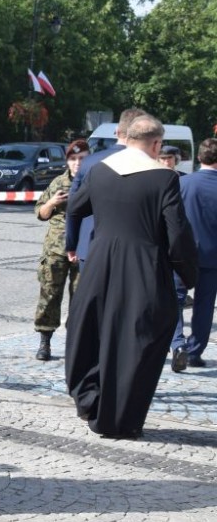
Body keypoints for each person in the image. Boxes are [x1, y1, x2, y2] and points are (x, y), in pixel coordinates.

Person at [65, 115, 197, 440]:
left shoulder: (99, 170)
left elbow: (75, 208)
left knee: (92, 331)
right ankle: (123, 418)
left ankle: (90, 400)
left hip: (101, 263)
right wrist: (187, 272)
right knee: (140, 339)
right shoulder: (164, 178)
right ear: (156, 144)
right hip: (144, 266)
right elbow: (177, 232)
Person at [65, 108, 147, 267]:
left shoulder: (88, 162)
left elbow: (73, 207)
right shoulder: (149, 164)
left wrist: (72, 244)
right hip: (132, 250)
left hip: (90, 245)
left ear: (117, 131)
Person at [32, 139, 89, 361]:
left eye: (81, 158)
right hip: (56, 249)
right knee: (49, 295)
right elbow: (40, 213)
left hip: (83, 250)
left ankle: (75, 343)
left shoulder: (94, 182)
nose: (77, 163)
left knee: (81, 299)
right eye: (73, 159)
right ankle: (45, 342)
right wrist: (52, 202)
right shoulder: (58, 182)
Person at [171, 138, 217, 370]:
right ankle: (194, 351)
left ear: (199, 157)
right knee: (204, 305)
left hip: (182, 252)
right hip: (212, 255)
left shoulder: (182, 183)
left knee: (175, 300)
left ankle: (177, 344)